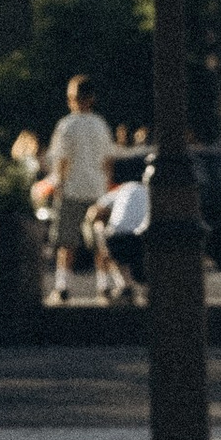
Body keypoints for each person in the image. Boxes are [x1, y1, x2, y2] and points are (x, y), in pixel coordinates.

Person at [41, 76, 116, 302]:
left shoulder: (66, 125)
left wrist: (59, 185)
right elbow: (108, 161)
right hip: (97, 189)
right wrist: (106, 188)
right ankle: (104, 286)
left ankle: (62, 286)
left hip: (72, 188)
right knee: (99, 242)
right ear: (92, 99)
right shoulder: (101, 125)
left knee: (66, 241)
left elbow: (62, 160)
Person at [88, 161, 150, 304]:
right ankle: (144, 288)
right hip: (142, 238)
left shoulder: (123, 189)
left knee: (101, 231)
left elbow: (95, 212)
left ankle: (125, 285)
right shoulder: (150, 190)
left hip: (118, 238)